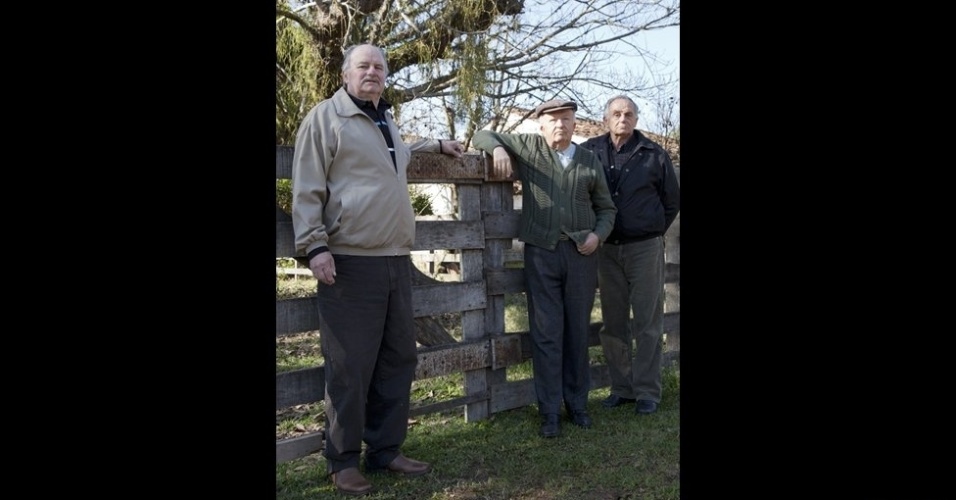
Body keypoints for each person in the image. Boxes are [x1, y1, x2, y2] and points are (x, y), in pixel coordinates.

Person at [291, 43, 464, 497]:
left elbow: (399, 154)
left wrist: (438, 144)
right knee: (350, 365)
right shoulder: (325, 118)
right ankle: (343, 460)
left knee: (398, 358)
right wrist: (315, 247)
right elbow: (307, 185)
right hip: (348, 260)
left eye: (379, 67)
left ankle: (385, 449)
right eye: (363, 66)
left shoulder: (385, 119)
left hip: (393, 258)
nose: (372, 72)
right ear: (346, 74)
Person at [472, 99, 617, 438]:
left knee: (577, 332)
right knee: (547, 333)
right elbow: (482, 134)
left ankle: (577, 405)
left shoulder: (588, 161)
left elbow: (607, 209)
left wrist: (597, 236)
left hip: (581, 255)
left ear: (574, 124)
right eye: (552, 121)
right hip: (542, 253)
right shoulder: (530, 147)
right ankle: (549, 411)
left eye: (566, 120)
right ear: (540, 125)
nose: (560, 126)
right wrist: (498, 150)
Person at [579, 95, 681, 416]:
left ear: (636, 119)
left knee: (648, 323)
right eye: (616, 113)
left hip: (645, 248)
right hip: (606, 249)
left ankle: (648, 391)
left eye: (629, 114)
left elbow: (671, 202)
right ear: (606, 118)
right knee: (613, 322)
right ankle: (621, 388)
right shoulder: (589, 151)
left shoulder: (654, 155)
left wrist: (650, 229)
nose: (622, 118)